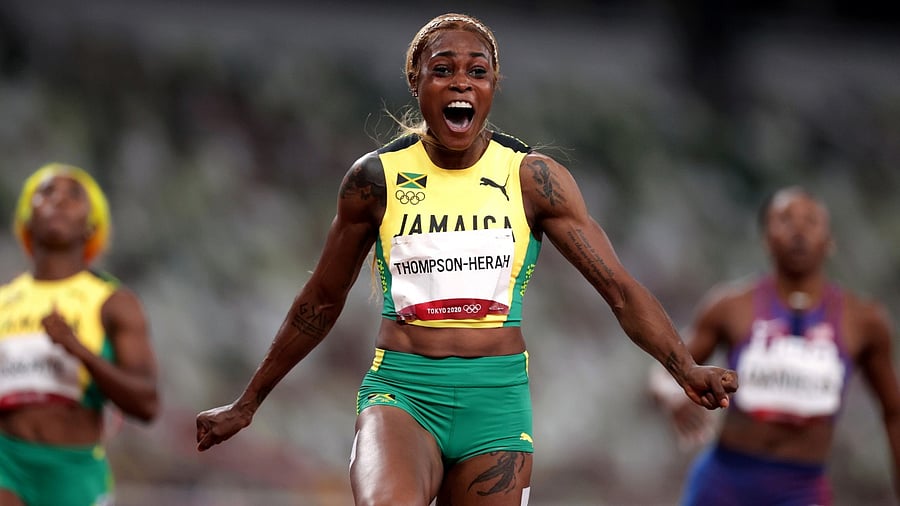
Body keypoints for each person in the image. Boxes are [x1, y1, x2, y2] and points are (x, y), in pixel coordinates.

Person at [195, 12, 738, 506]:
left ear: (492, 86)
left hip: (496, 402)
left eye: (476, 72)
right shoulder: (373, 181)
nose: (461, 81)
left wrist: (683, 367)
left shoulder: (533, 180)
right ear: (417, 82)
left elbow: (618, 289)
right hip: (403, 391)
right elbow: (320, 299)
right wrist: (248, 402)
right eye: (443, 69)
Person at [650, 186, 900, 505]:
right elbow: (663, 368)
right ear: (766, 238)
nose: (798, 230)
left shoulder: (864, 321)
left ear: (830, 241)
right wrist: (672, 395)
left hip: (801, 488)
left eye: (810, 221)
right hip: (724, 481)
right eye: (784, 219)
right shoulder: (730, 306)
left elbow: (894, 411)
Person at [0, 163, 160, 506]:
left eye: (74, 196)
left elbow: (147, 403)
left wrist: (78, 350)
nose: (58, 200)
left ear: (92, 226)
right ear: (27, 217)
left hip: (73, 472)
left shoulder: (113, 303)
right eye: (46, 192)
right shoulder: (3, 302)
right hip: (7, 463)